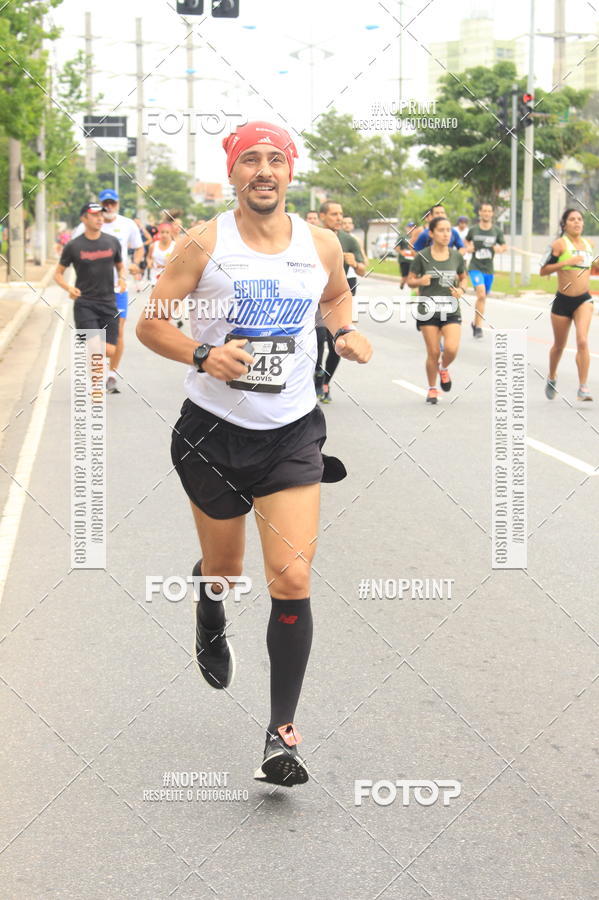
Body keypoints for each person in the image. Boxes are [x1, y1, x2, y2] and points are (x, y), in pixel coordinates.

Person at [136, 121, 372, 787]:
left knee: (292, 579)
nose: (263, 170)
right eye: (250, 160)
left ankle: (281, 735)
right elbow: (150, 321)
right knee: (227, 570)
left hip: (293, 432)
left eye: (275, 159)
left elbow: (334, 295)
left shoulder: (320, 243)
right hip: (213, 432)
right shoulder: (204, 243)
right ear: (234, 173)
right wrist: (204, 354)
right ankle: (210, 604)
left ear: (291, 171)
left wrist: (346, 329)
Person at [72, 189, 144, 392]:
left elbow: (138, 247)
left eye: (113, 203)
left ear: (118, 204)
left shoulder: (127, 224)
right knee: (93, 337)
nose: (109, 207)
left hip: (117, 289)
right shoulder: (85, 227)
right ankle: (96, 376)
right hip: (91, 290)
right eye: (106, 204)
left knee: (118, 333)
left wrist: (135, 262)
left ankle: (111, 374)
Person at [54, 202, 126, 380]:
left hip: (108, 302)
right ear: (83, 218)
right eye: (94, 215)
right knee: (95, 347)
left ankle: (93, 359)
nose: (100, 218)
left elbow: (120, 267)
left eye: (101, 214)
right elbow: (58, 274)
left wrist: (123, 279)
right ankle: (96, 387)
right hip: (85, 303)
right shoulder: (73, 246)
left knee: (110, 350)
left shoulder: (112, 242)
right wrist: (69, 287)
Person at [539, 208, 599, 401]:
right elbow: (543, 270)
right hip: (562, 301)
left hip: (583, 299)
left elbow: (593, 267)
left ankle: (583, 387)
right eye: (572, 219)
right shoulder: (558, 245)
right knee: (559, 345)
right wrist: (567, 262)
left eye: (580, 219)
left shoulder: (589, 244)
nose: (577, 222)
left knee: (582, 340)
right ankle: (552, 376)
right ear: (564, 224)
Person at [407, 216, 467, 404]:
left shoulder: (456, 256)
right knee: (433, 352)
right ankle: (432, 389)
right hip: (428, 311)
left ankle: (444, 367)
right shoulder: (422, 256)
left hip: (451, 310)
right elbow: (410, 280)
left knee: (451, 348)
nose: (446, 234)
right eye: (441, 230)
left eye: (448, 230)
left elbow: (463, 277)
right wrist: (419, 281)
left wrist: (461, 289)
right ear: (431, 233)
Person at [316, 201, 366, 403]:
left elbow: (363, 269)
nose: (339, 218)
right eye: (334, 214)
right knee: (317, 343)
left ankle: (326, 380)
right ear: (322, 216)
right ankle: (317, 377)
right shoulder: (312, 238)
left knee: (339, 342)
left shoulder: (348, 240)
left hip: (337, 300)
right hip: (314, 301)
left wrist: (355, 263)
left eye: (341, 214)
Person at [464, 202, 506, 339]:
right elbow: (466, 241)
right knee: (481, 295)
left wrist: (500, 249)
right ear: (480, 213)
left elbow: (504, 246)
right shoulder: (474, 230)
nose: (487, 213)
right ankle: (479, 328)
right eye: (484, 211)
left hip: (488, 269)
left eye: (489, 211)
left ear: (492, 214)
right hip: (475, 267)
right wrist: (469, 247)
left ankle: (475, 324)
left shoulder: (496, 231)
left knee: (482, 299)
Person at [395, 221, 418, 289]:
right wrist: (401, 252)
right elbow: (397, 247)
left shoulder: (417, 237)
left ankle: (412, 287)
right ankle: (402, 283)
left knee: (413, 275)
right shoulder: (402, 237)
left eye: (413, 227)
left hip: (414, 260)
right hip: (404, 260)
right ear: (407, 228)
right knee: (405, 276)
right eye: (410, 227)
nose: (411, 229)